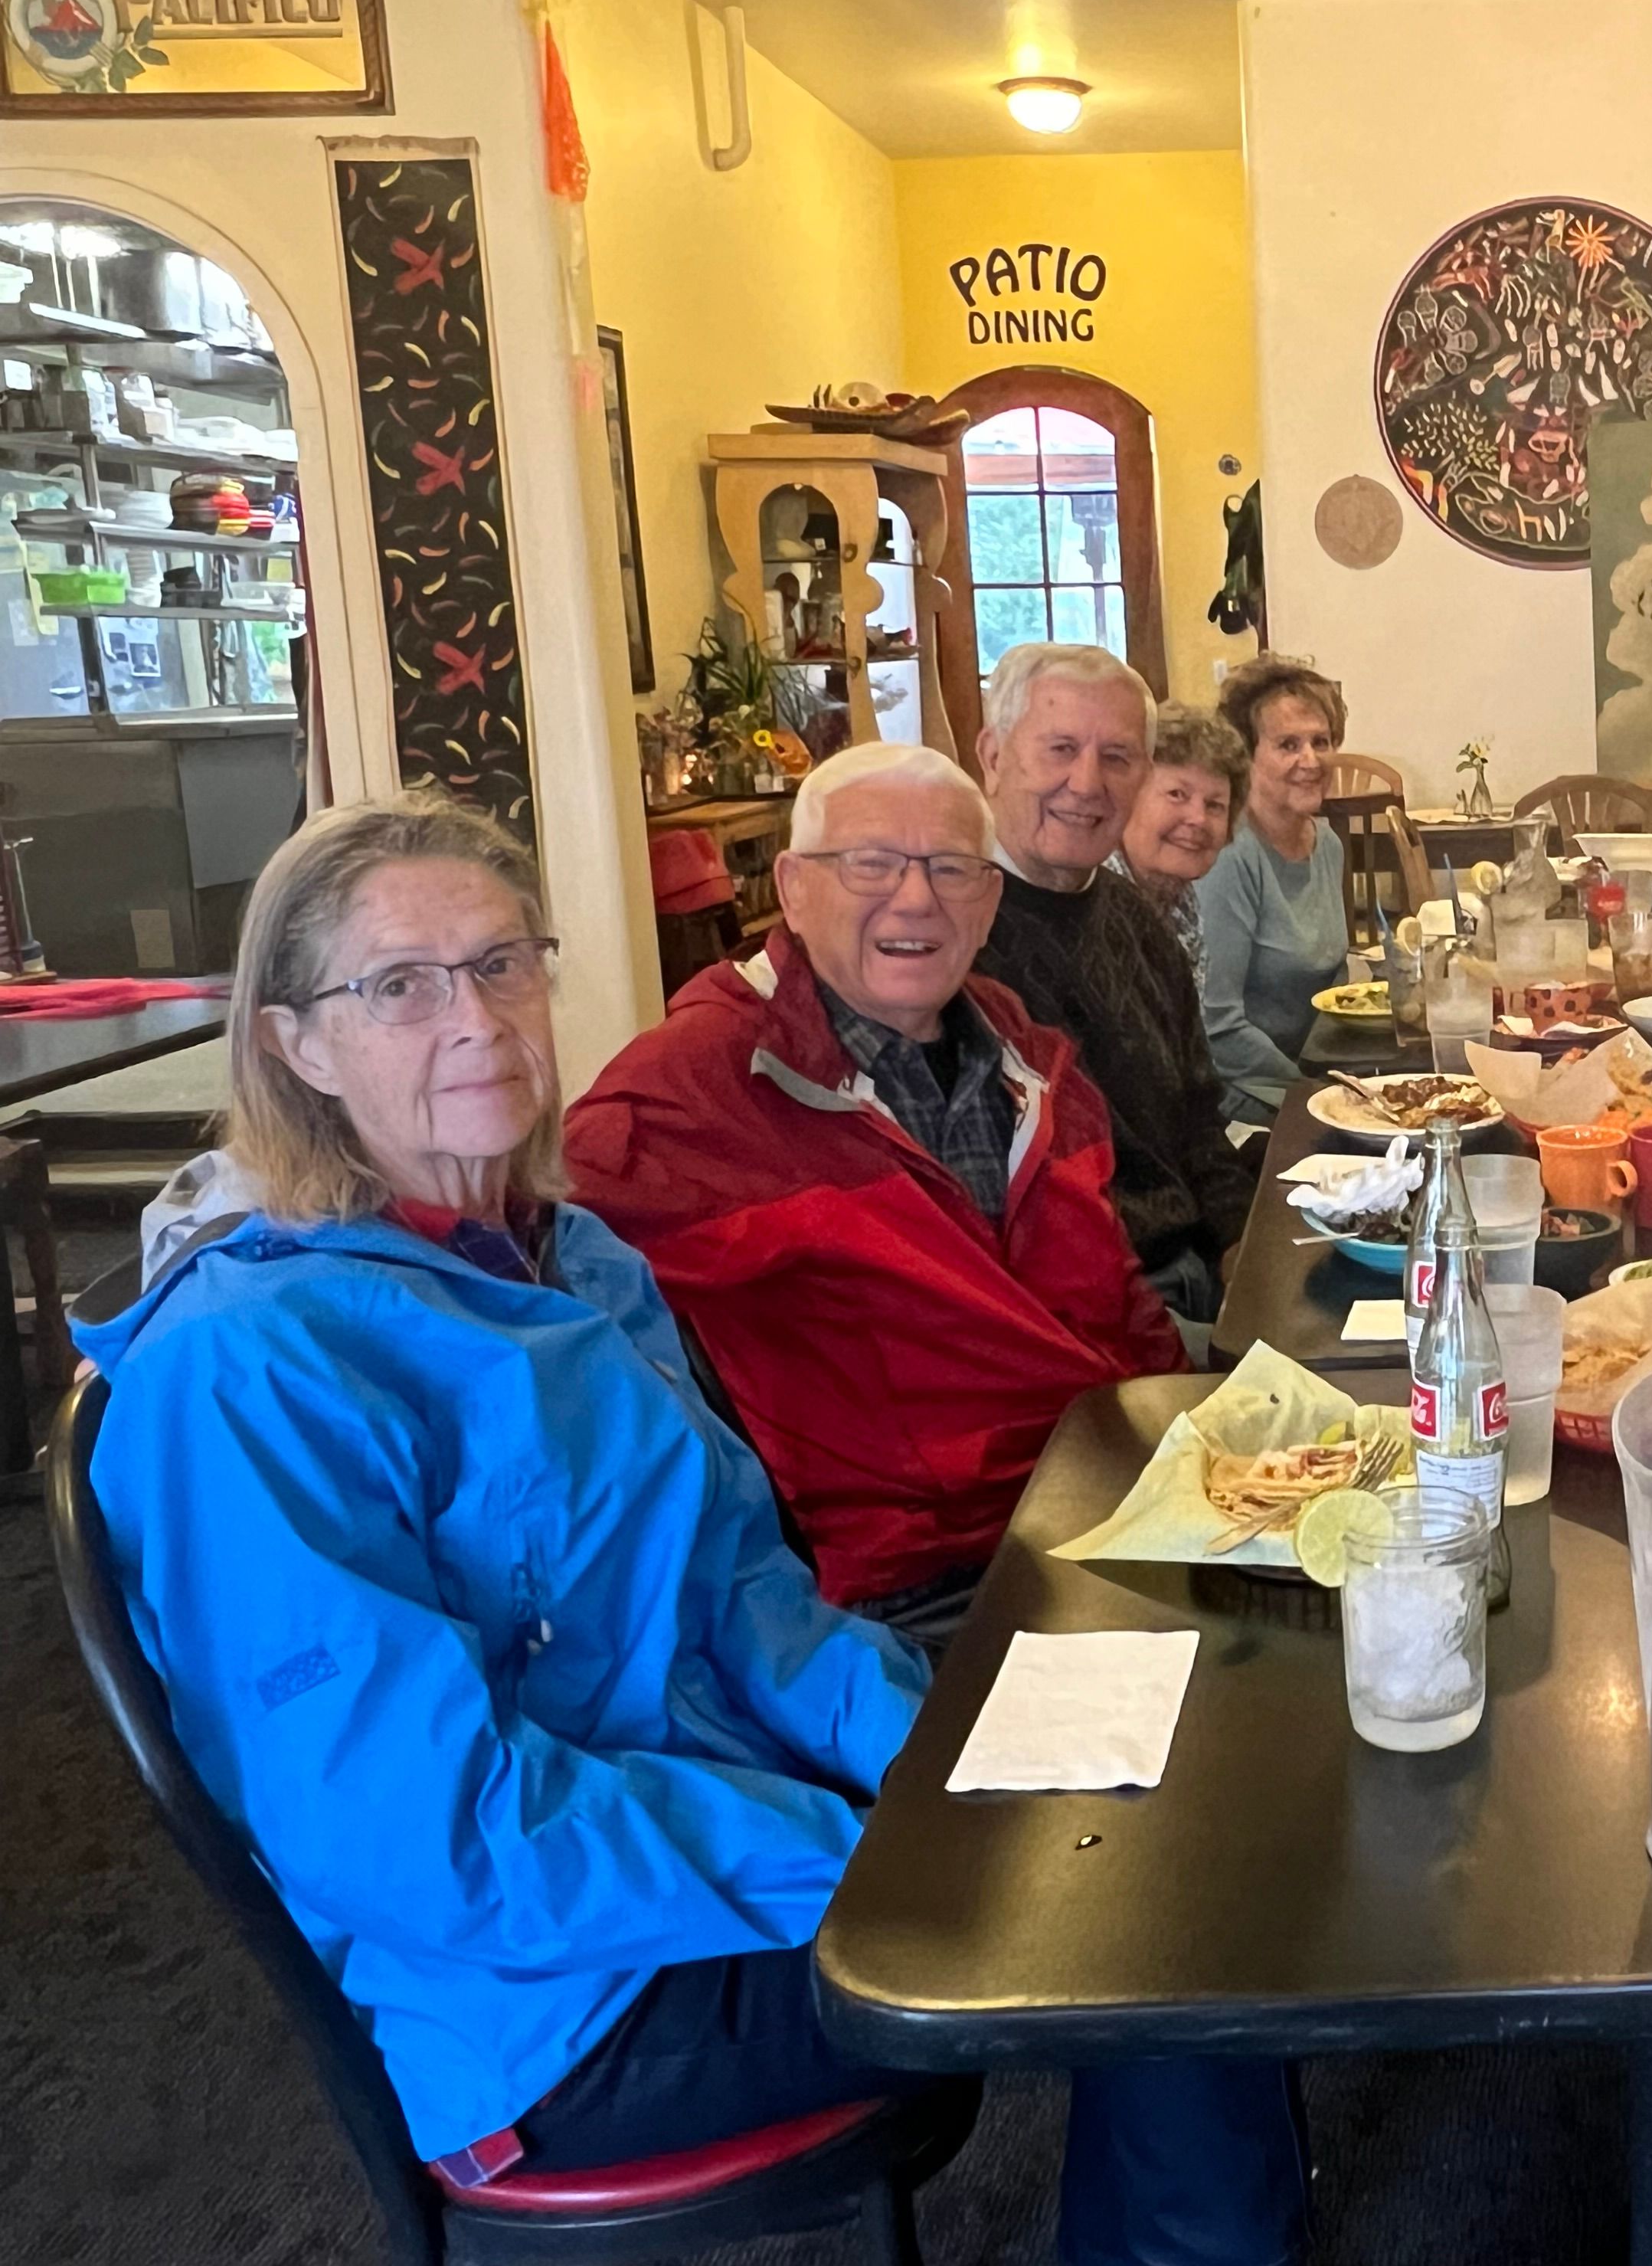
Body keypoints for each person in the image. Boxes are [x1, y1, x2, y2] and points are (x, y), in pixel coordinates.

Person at [77, 795, 1307, 2259]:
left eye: (501, 964)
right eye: (397, 985)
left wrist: (961, 1744)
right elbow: (434, 1843)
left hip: (721, 1838)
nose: (471, 1016)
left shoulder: (566, 1253)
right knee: (1160, 1936)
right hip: (568, 1998)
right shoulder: (254, 1361)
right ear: (295, 1042)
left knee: (1179, 1789)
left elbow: (747, 1601)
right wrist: (859, 1843)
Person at [565, 743, 1184, 1642]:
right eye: (871, 863)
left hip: (1111, 1498)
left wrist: (1196, 1439)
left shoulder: (1021, 1052)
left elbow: (1115, 1294)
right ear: (793, 887)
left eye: (950, 869)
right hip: (924, 1586)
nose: (916, 898)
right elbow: (533, 1284)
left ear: (990, 901)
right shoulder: (692, 1091)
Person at [968, 644, 1254, 1328]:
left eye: (1118, 758)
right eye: (1060, 748)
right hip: (1092, 1313)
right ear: (994, 754)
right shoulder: (954, 935)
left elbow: (1196, 1120)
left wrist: (1250, 1257)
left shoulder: (1134, 918)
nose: (1088, 782)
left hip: (1194, 1276)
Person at [1196, 653, 1350, 1125]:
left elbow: (1335, 981)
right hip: (1241, 1096)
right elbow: (1218, 1026)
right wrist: (1319, 1098)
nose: (1311, 760)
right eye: (1288, 745)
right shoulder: (1229, 855)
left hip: (1313, 1077)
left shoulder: (1327, 844)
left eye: (1320, 742)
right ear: (1246, 756)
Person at [1113, 697, 1249, 982]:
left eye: (1214, 805)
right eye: (1177, 794)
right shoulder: (1101, 909)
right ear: (1127, 796)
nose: (1198, 818)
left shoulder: (1181, 901)